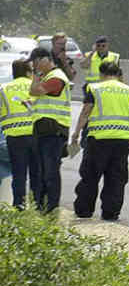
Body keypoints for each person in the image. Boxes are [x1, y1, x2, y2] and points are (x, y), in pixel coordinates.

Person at [70, 60, 129, 221]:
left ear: (101, 74)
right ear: (117, 74)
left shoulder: (94, 88)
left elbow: (85, 113)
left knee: (90, 176)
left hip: (99, 139)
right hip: (121, 141)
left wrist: (76, 133)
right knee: (116, 179)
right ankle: (111, 213)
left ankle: (84, 210)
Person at [27, 47, 71, 212]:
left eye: (35, 62)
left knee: (50, 172)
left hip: (54, 131)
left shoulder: (56, 77)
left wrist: (36, 75)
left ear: (45, 59)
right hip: (44, 130)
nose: (34, 66)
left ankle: (51, 208)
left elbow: (34, 91)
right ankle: (42, 206)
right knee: (43, 171)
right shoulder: (48, 77)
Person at [1, 58, 33, 208]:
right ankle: (38, 205)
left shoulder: (4, 89)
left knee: (19, 173)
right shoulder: (36, 87)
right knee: (37, 172)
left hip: (14, 136)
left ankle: (19, 204)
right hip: (35, 135)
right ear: (28, 71)